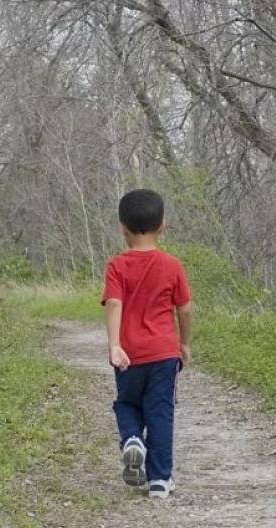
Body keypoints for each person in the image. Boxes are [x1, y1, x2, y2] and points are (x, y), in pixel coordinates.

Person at [101, 189, 193, 499]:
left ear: (121, 227)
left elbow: (113, 303)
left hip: (129, 353)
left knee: (126, 403)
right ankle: (159, 479)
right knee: (160, 411)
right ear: (162, 225)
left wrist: (115, 344)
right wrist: (185, 343)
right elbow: (185, 308)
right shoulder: (172, 265)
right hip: (165, 352)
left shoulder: (117, 265)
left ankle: (131, 439)